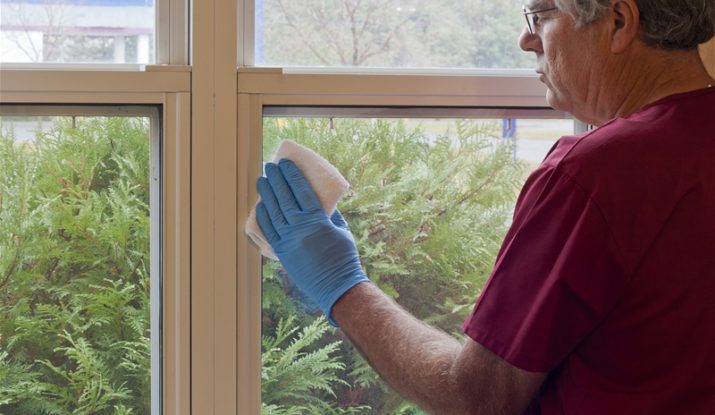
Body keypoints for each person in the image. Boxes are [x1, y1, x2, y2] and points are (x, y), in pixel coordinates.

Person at [255, 0, 715, 413]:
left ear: (618, 21)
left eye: (542, 14)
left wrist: (342, 285)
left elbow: (478, 396)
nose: (525, 39)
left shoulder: (595, 174)